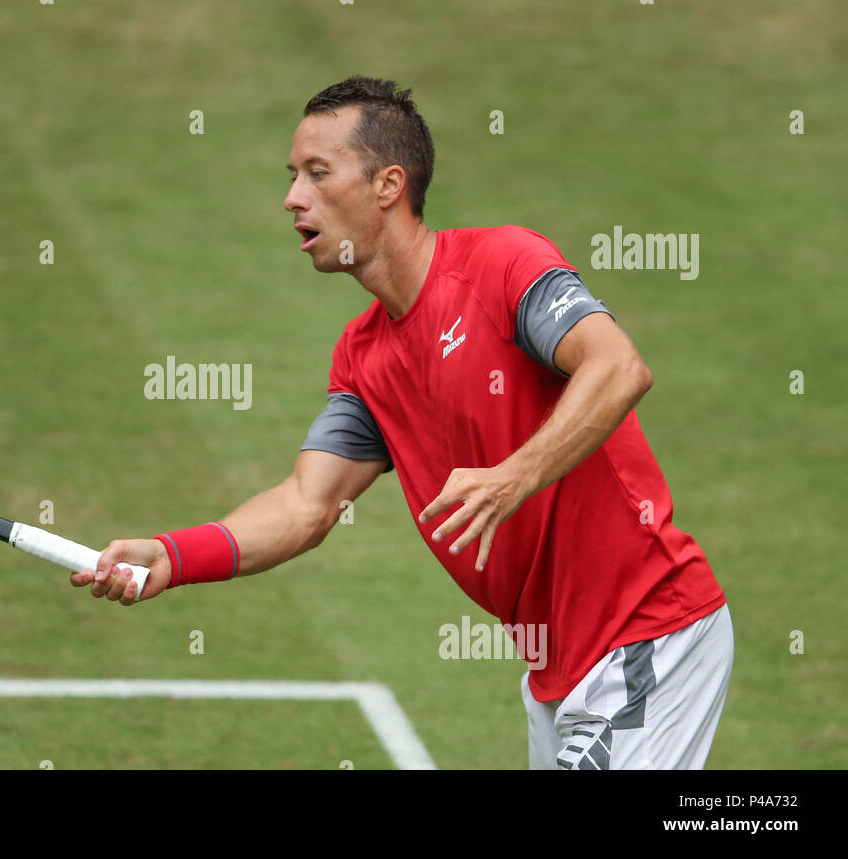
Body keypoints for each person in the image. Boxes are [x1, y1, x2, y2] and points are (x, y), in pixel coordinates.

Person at [71, 76, 732, 770]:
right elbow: (307, 504)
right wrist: (173, 556)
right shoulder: (363, 358)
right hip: (559, 669)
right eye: (292, 175)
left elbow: (619, 366)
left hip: (649, 635)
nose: (293, 196)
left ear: (388, 185)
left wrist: (514, 477)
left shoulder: (502, 265)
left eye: (317, 173)